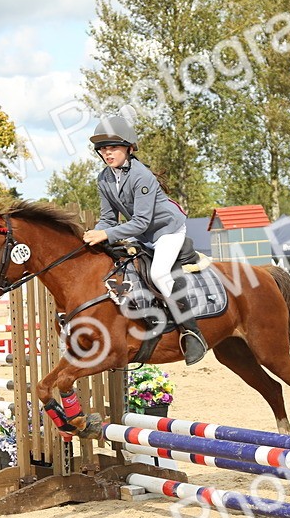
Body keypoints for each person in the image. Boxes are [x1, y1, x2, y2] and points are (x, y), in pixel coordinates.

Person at [82, 115, 207, 365]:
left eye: (113, 148)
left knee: (160, 273)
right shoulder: (104, 179)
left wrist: (106, 234)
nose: (108, 153)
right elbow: (108, 218)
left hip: (166, 231)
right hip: (142, 235)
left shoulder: (141, 175)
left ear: (129, 148)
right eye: (103, 149)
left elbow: (140, 221)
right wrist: (94, 236)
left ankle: (192, 333)